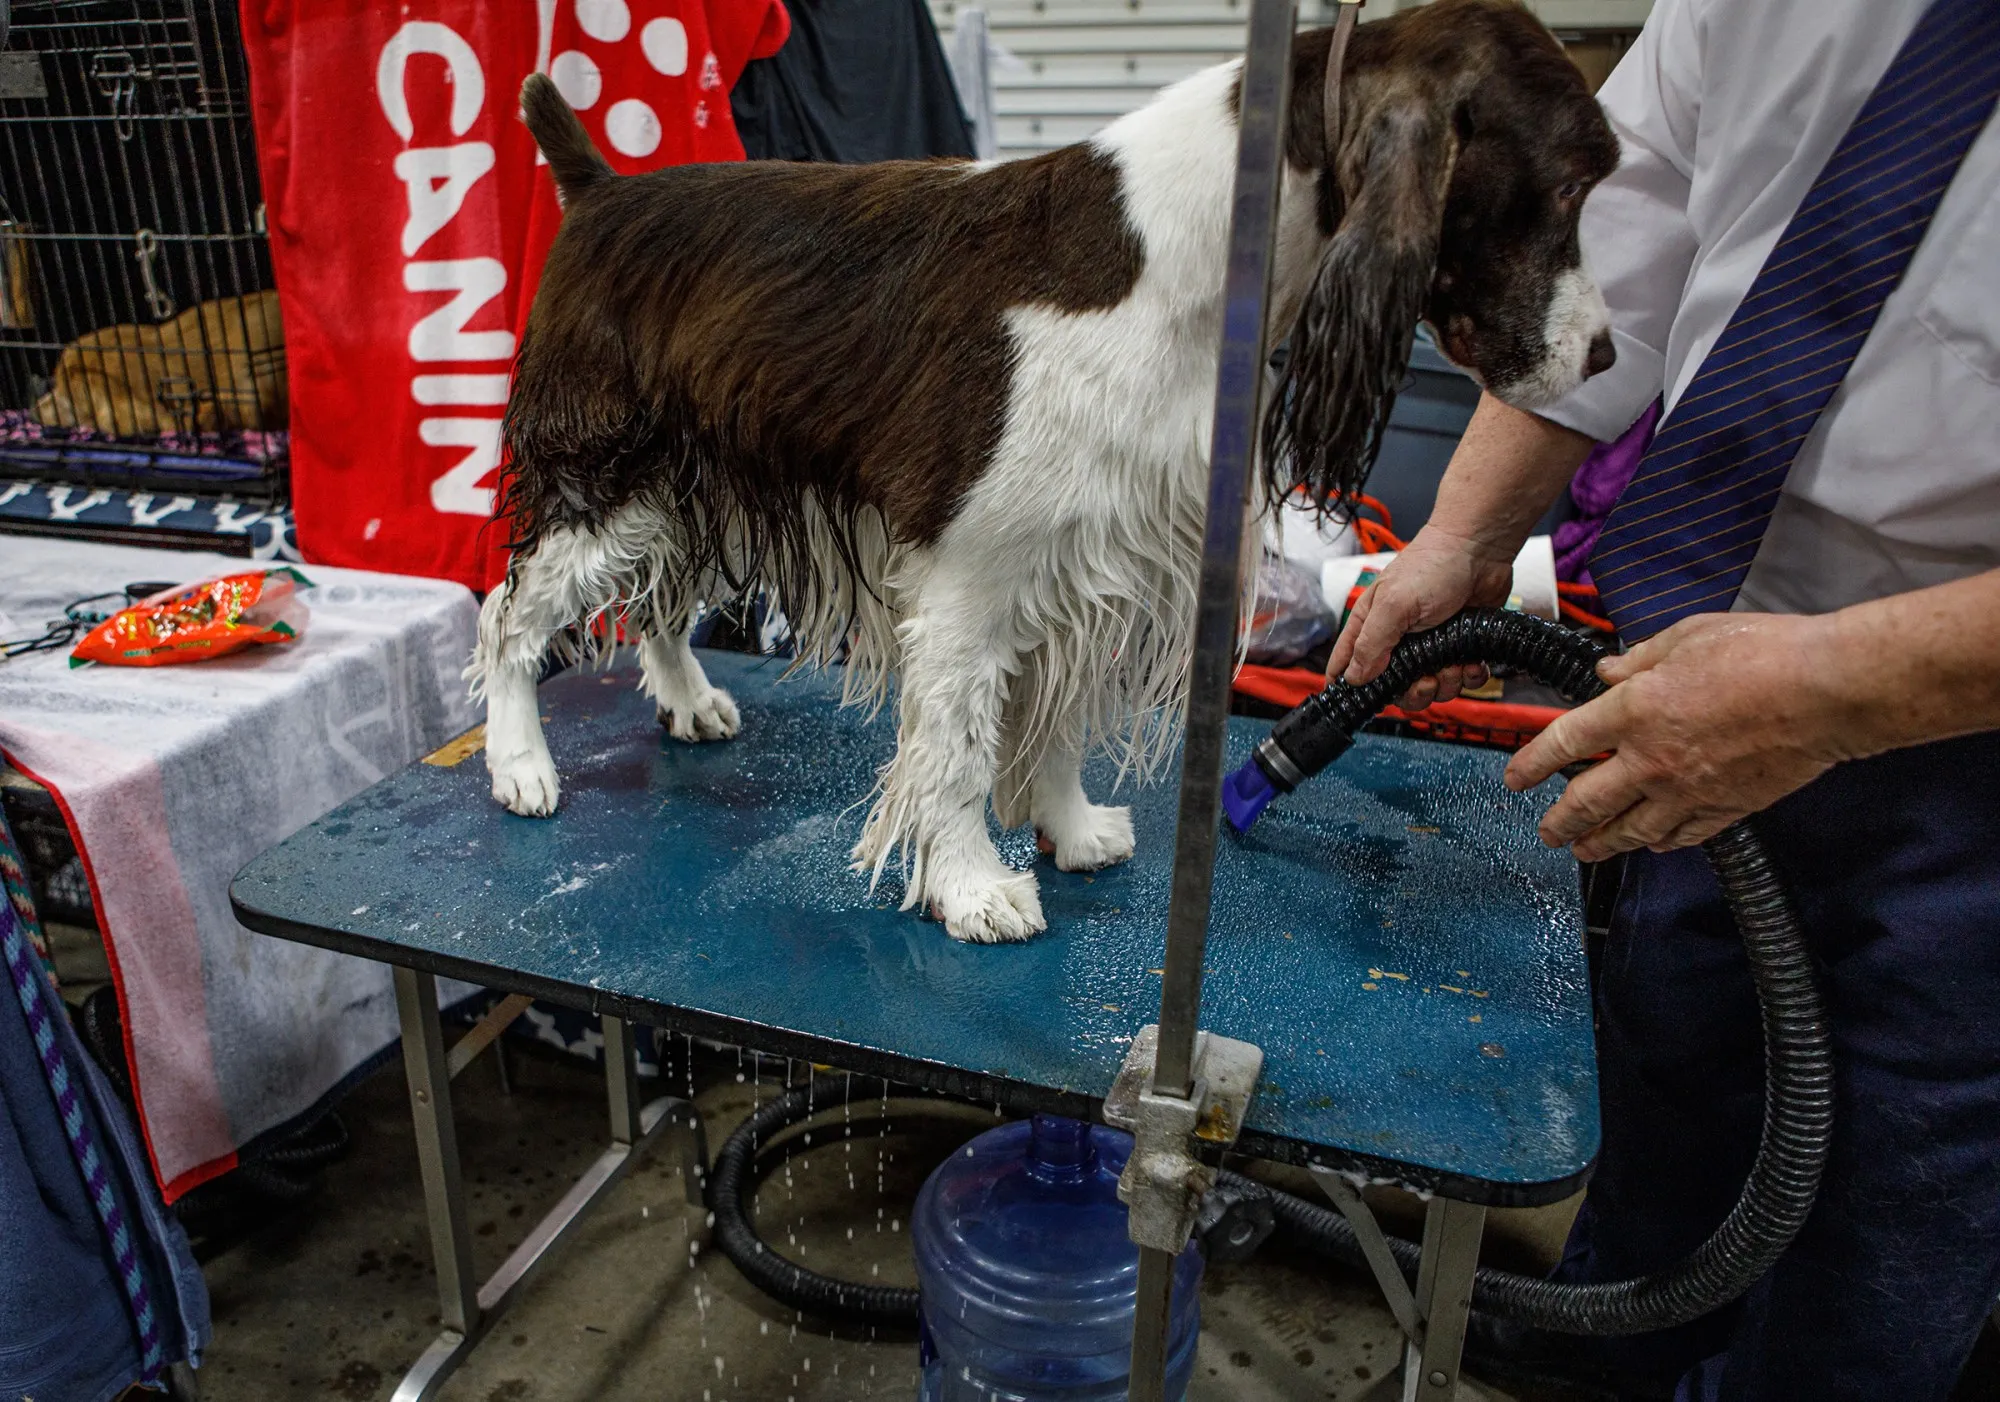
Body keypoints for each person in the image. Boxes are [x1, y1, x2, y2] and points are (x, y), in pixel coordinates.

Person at [1326, 0, 2000, 1397]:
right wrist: (1460, 539)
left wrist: (1830, 686)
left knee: (1867, 1277)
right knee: (1666, 1153)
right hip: (1698, 668)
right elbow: (1612, 276)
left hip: (1965, 753)